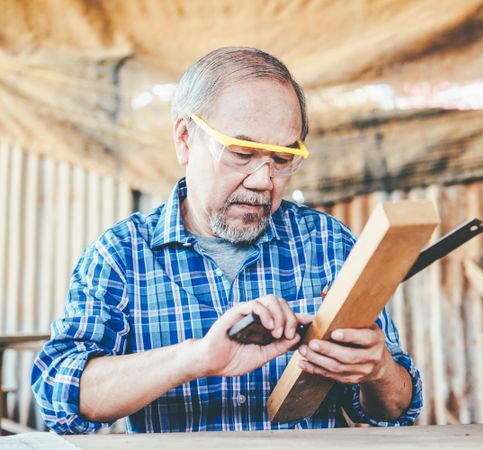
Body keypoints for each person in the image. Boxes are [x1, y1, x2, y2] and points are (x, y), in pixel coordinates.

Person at [31, 47, 422, 434]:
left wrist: (380, 371)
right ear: (185, 139)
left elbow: (396, 410)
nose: (263, 180)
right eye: (241, 152)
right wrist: (197, 357)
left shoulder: (328, 243)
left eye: (282, 159)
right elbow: (59, 398)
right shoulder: (121, 254)